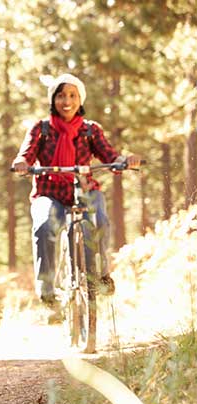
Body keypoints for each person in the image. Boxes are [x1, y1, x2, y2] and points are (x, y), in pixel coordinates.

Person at [11, 73, 141, 304]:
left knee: (99, 221)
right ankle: (47, 287)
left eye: (72, 95)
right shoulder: (41, 129)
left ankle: (100, 275)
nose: (66, 101)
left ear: (80, 100)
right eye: (61, 96)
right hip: (49, 192)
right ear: (53, 100)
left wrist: (124, 160)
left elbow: (109, 155)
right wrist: (22, 164)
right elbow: (27, 154)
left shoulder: (91, 130)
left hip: (85, 189)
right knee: (44, 226)